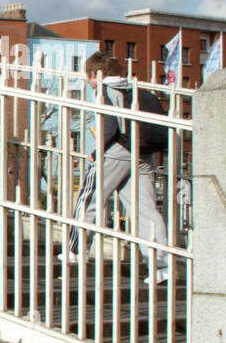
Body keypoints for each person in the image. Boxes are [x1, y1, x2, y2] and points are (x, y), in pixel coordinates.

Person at [65, 53, 171, 282]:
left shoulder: (103, 90)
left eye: (88, 78)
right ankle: (161, 266)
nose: (89, 82)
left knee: (89, 197)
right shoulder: (137, 91)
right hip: (144, 155)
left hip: (118, 151)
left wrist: (96, 149)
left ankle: (75, 251)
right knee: (146, 211)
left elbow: (110, 126)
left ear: (95, 74)